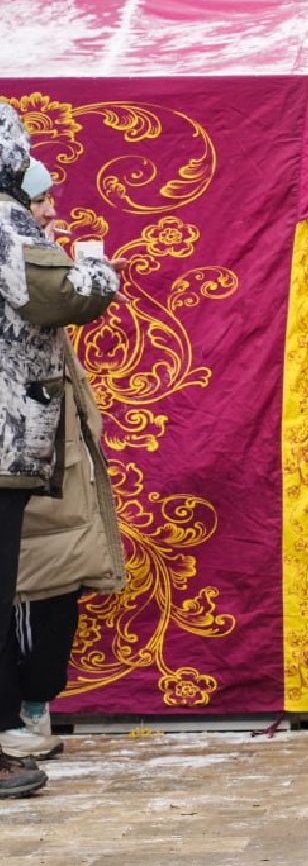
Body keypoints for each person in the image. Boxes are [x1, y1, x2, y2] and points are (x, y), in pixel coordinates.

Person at [0, 109, 120, 798]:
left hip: (30, 442)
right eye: (39, 195)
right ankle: (17, 723)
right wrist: (97, 264)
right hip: (13, 438)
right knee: (21, 585)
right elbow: (63, 297)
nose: (48, 209)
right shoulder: (8, 223)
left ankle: (24, 715)